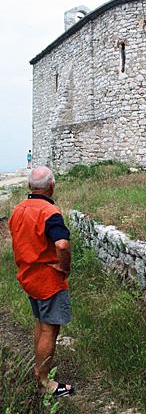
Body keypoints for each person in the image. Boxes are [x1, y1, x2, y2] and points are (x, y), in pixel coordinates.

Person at [8, 166, 74, 397]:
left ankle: (38, 369)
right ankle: (45, 380)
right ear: (52, 186)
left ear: (29, 187)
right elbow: (62, 244)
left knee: (40, 322)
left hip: (27, 276)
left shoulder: (18, 209)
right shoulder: (49, 212)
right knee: (49, 328)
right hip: (48, 281)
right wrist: (64, 267)